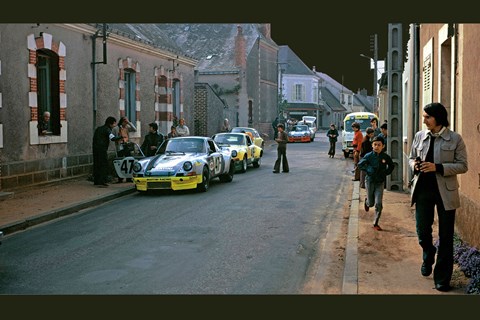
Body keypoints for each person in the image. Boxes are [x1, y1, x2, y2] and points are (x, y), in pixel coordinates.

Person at [408, 102, 468, 292]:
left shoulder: (455, 139)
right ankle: (428, 252)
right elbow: (410, 158)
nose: (424, 120)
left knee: (446, 236)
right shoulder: (419, 136)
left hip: (446, 192)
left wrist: (438, 167)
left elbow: (463, 165)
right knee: (422, 231)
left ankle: (442, 279)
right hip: (423, 190)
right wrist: (415, 165)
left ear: (438, 118)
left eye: (427, 117)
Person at [358, 135, 394, 231]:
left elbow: (391, 166)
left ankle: (375, 223)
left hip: (380, 182)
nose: (377, 147)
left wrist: (386, 173)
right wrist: (368, 169)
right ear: (372, 146)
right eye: (375, 145)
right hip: (369, 181)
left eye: (379, 145)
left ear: (383, 146)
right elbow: (360, 164)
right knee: (371, 203)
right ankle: (367, 202)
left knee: (378, 203)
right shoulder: (369, 156)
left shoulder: (385, 157)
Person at [92, 116, 122, 187]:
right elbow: (113, 138)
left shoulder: (99, 129)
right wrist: (121, 137)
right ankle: (102, 181)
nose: (114, 125)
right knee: (103, 164)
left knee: (96, 164)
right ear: (110, 124)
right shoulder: (107, 129)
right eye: (114, 124)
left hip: (95, 149)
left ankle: (96, 181)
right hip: (102, 149)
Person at [112, 116, 137, 183]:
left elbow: (134, 129)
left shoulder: (127, 128)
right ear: (121, 122)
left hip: (126, 145)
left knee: (128, 161)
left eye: (126, 122)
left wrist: (129, 122)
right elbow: (113, 138)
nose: (125, 123)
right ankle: (120, 178)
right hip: (120, 146)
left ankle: (128, 177)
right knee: (120, 161)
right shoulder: (116, 129)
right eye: (124, 122)